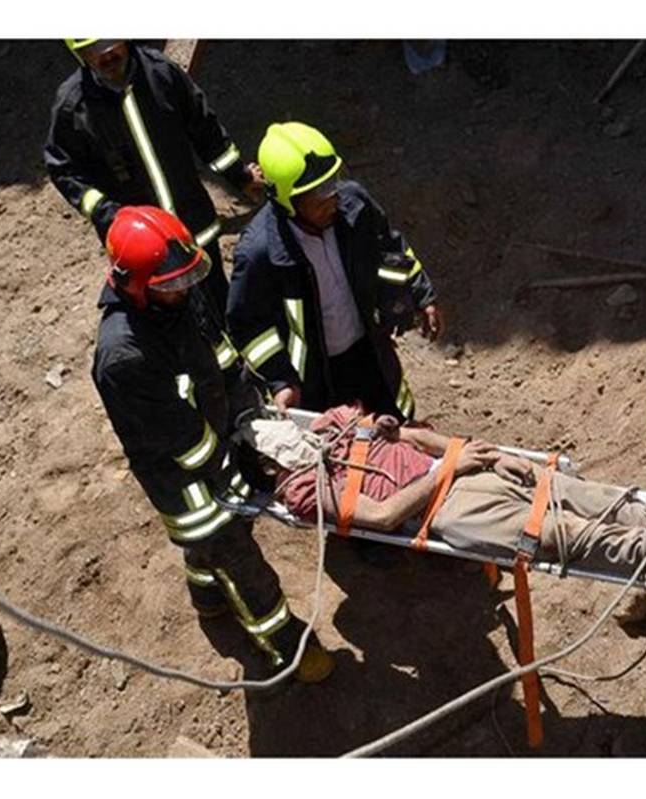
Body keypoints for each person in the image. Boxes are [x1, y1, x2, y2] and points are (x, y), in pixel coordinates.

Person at [91, 205, 332, 682]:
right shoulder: (124, 357)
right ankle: (286, 646)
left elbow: (222, 358)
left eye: (186, 278)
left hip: (217, 443)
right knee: (238, 558)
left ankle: (207, 596)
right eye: (171, 284)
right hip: (185, 485)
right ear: (135, 286)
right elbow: (179, 439)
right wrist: (232, 468)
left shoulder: (177, 295)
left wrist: (249, 413)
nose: (184, 287)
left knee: (213, 551)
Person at [242, 404, 646, 588]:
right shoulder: (303, 489)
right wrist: (451, 468)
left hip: (466, 467)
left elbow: (414, 437)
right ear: (268, 466)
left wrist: (478, 453)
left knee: (578, 494)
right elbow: (382, 517)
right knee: (560, 533)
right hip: (446, 510)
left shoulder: (332, 424)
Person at [226, 122, 442, 422]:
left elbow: (390, 248)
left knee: (396, 422)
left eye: (332, 184)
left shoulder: (355, 205)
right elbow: (246, 325)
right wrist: (281, 380)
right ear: (286, 201)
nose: (332, 199)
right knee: (339, 440)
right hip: (315, 377)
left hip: (369, 350)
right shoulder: (259, 253)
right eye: (318, 195)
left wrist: (422, 295)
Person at [44, 39, 263, 315]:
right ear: (79, 54)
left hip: (195, 227)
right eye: (94, 49)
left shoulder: (161, 73)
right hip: (144, 253)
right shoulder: (73, 106)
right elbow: (64, 169)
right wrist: (105, 212)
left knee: (219, 304)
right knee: (171, 321)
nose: (107, 54)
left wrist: (240, 177)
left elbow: (205, 130)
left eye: (111, 41)